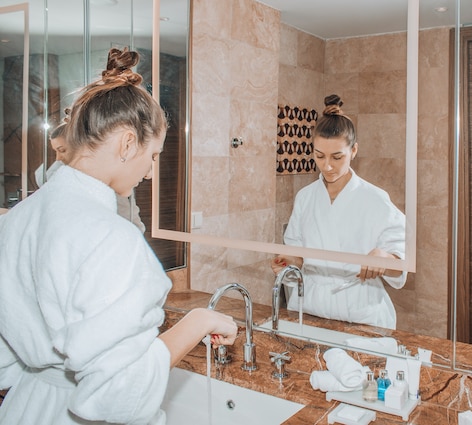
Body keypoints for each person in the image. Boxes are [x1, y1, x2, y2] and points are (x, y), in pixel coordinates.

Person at [0, 47, 238, 424]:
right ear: (127, 144)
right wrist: (197, 322)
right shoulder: (111, 239)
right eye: (154, 155)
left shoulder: (16, 220)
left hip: (25, 407)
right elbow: (120, 392)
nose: (149, 172)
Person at [271, 94, 407, 329]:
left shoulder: (375, 199)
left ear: (354, 151)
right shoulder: (305, 197)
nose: (328, 166)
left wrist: (385, 258)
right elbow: (297, 255)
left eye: (337, 156)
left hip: (360, 312)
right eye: (319, 156)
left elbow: (401, 262)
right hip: (311, 309)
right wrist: (289, 262)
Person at [41, 120, 147, 232]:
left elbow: (129, 218)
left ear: (79, 146)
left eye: (62, 150)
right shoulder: (68, 175)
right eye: (56, 151)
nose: (58, 158)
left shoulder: (105, 177)